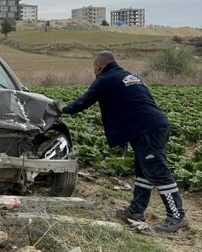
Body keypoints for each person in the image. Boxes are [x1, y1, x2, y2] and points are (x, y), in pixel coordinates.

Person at [54, 51, 188, 233]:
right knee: (142, 172)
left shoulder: (105, 79)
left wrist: (63, 108)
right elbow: (132, 105)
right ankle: (136, 211)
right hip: (152, 125)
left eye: (94, 67)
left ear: (99, 66)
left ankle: (176, 216)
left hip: (146, 129)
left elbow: (84, 102)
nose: (94, 70)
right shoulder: (131, 76)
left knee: (158, 172)